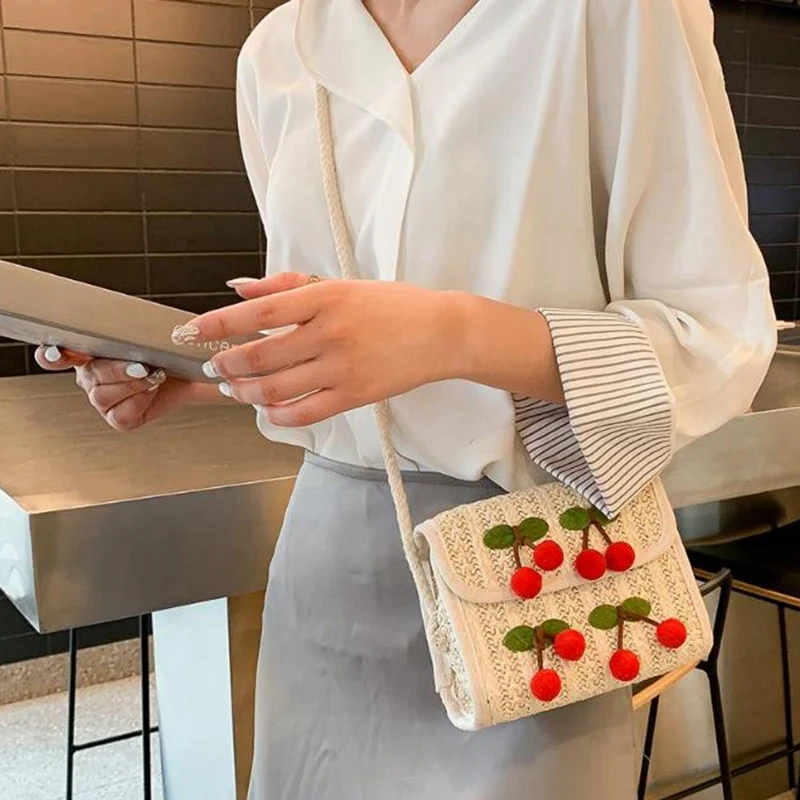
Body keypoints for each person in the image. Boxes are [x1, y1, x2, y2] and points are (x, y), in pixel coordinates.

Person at [38, 0, 777, 797]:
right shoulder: (277, 51)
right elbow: (346, 347)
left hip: (533, 570)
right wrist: (202, 373)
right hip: (326, 566)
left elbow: (714, 337)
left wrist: (451, 332)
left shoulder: (615, 14)